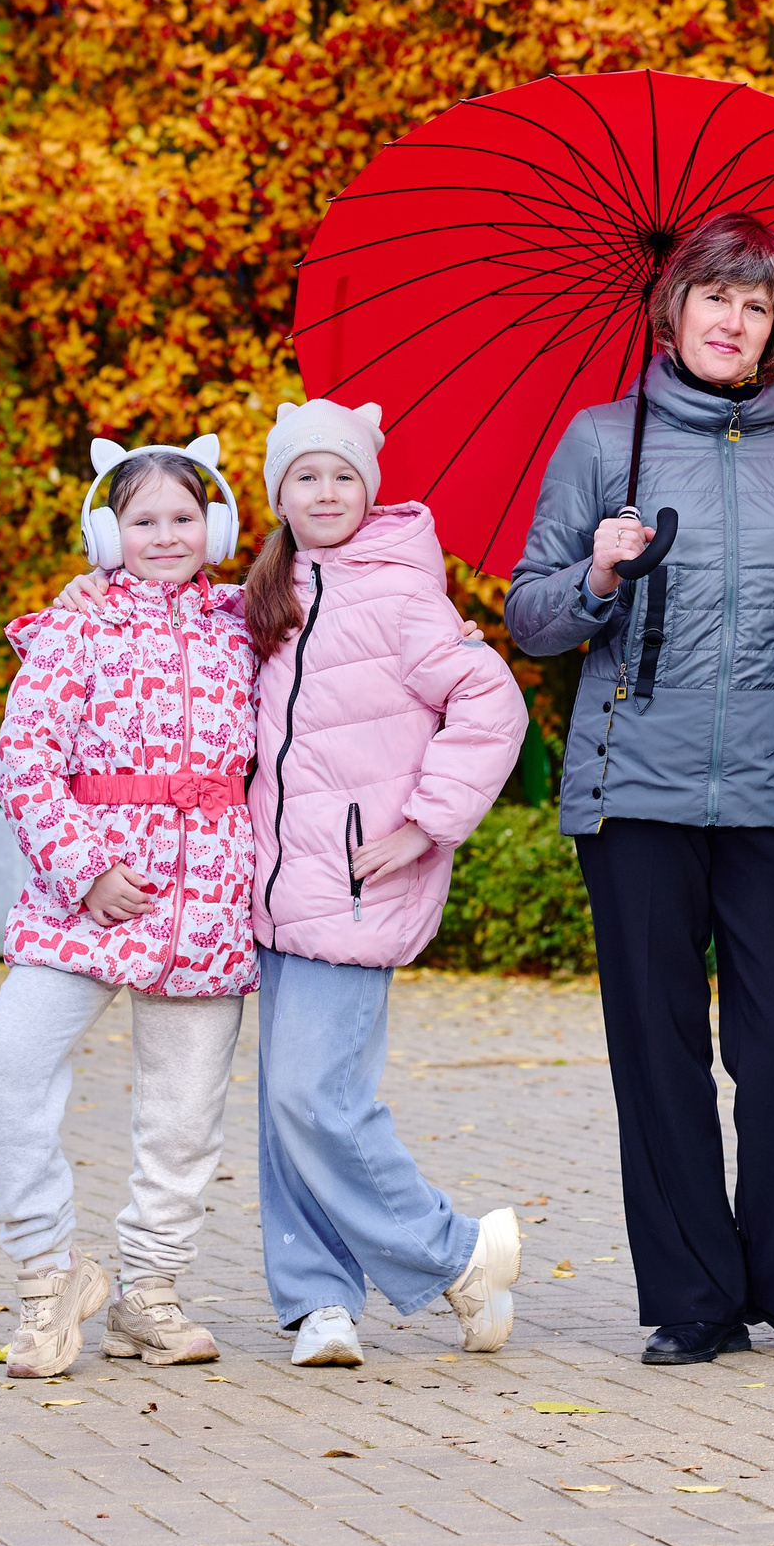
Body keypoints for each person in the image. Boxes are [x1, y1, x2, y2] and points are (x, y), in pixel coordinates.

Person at [505, 213, 774, 1367]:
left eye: (757, 305)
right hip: (633, 793)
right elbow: (531, 617)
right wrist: (597, 573)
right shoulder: (600, 440)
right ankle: (695, 1298)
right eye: (716, 297)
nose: (734, 320)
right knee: (658, 1053)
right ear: (671, 311)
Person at [246, 399, 530, 1367]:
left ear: (369, 490)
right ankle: (319, 1303)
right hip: (273, 891)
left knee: (313, 1096)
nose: (325, 492)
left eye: (344, 476)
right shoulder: (266, 594)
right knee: (285, 1113)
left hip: (356, 885)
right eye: (305, 476)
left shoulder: (404, 595)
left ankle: (456, 1253)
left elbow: (492, 705)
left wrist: (425, 824)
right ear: (278, 494)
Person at [0, 438, 258, 1381]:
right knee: (6, 1062)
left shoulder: (249, 624)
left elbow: (345, 667)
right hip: (85, 904)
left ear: (217, 526)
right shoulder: (75, 631)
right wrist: (87, 871)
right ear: (108, 533)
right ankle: (48, 1277)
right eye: (143, 520)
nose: (166, 535)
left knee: (183, 1115)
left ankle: (149, 1294)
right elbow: (24, 763)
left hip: (206, 905)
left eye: (185, 517)